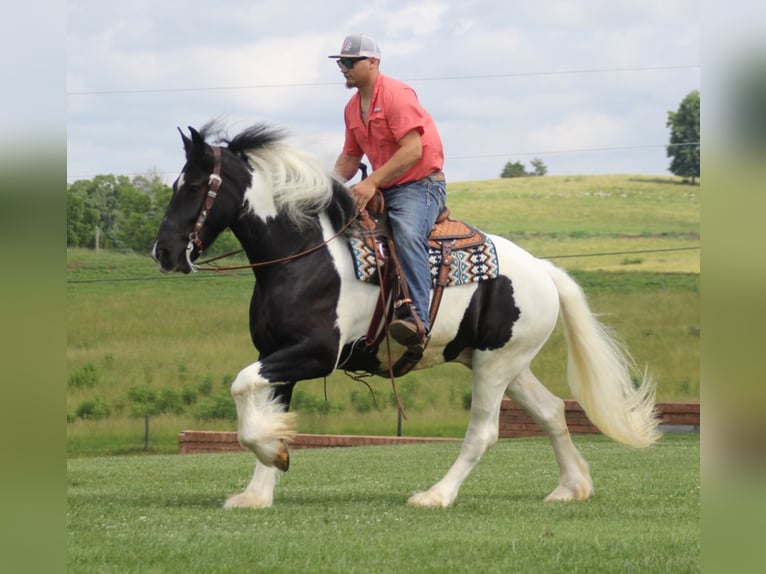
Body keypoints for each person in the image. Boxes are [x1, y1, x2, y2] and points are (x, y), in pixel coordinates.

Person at [329, 33, 447, 351]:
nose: (344, 67)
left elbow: (413, 151)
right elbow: (351, 159)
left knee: (407, 233)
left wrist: (370, 183)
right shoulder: (352, 108)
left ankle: (417, 320)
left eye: (350, 62)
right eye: (341, 62)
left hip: (421, 186)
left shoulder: (397, 94)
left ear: (373, 62)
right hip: (384, 187)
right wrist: (322, 187)